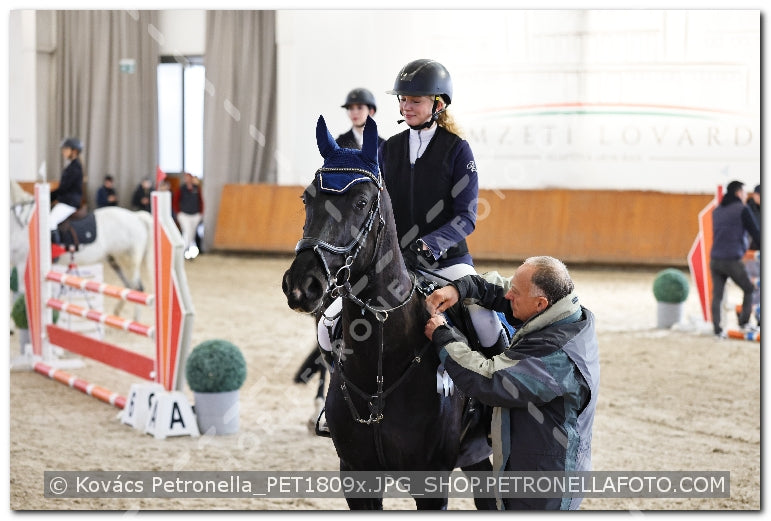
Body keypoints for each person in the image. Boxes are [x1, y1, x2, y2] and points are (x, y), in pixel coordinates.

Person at [423, 256, 600, 510]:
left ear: (541, 303)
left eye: (516, 293)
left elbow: (489, 379)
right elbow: (502, 288)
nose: (509, 297)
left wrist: (443, 336)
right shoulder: (563, 312)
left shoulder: (554, 356)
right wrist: (458, 289)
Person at [710, 180, 761, 337]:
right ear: (738, 193)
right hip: (731, 258)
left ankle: (717, 329)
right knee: (749, 289)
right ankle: (744, 323)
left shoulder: (717, 210)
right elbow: (755, 232)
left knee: (717, 295)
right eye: (745, 192)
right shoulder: (742, 209)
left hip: (715, 259)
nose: (746, 195)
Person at [50, 137, 84, 243]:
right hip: (66, 201)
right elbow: (62, 188)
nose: (63, 152)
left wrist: (48, 197)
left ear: (74, 151)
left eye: (65, 149)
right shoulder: (71, 166)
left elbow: (63, 188)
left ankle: (56, 251)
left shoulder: (75, 167)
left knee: (50, 221)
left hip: (70, 203)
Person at [173, 172, 204, 259]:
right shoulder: (181, 189)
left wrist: (200, 213)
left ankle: (188, 251)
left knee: (192, 234)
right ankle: (182, 251)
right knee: (187, 232)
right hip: (184, 214)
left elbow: (200, 201)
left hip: (195, 214)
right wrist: (178, 213)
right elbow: (175, 201)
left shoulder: (197, 188)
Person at [745, 184, 760, 325]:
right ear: (755, 195)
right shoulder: (747, 209)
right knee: (752, 286)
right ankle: (744, 315)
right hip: (750, 253)